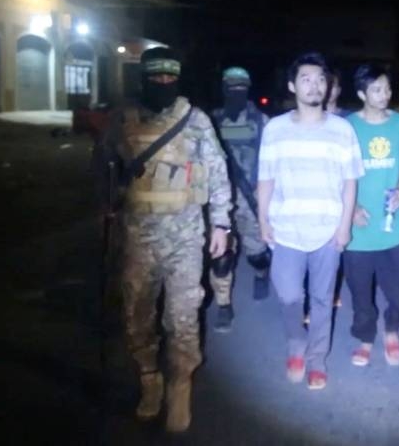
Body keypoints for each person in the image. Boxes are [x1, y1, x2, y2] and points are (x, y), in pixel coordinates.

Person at [98, 47, 231, 432]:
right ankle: (149, 379)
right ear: (143, 78)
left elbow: (217, 174)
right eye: (155, 76)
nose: (163, 82)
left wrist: (221, 224)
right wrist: (105, 205)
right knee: (137, 314)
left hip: (185, 237)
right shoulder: (122, 120)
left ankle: (180, 384)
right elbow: (103, 166)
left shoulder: (195, 120)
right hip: (137, 237)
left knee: (183, 315)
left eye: (170, 76)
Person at [257, 51, 364, 391]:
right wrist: (263, 221)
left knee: (321, 298)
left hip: (327, 230)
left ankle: (317, 359)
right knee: (289, 295)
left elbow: (350, 182)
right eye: (306, 79)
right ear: (293, 86)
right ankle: (296, 343)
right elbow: (265, 179)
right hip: (286, 229)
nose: (314, 85)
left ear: (328, 85)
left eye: (320, 79)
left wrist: (344, 227)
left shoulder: (342, 129)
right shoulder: (275, 129)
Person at [343, 63, 399, 367]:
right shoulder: (347, 126)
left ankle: (392, 328)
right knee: (360, 289)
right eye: (376, 89)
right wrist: (351, 209)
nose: (385, 94)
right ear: (362, 94)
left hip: (394, 221)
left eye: (387, 88)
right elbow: (336, 171)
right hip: (359, 224)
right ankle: (365, 336)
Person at [209, 66, 271, 333]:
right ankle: (224, 305)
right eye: (231, 87)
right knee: (221, 256)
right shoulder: (212, 121)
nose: (236, 92)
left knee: (257, 254)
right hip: (220, 201)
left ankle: (261, 273)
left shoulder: (261, 121)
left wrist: (264, 194)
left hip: (250, 199)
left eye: (241, 88)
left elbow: (271, 160)